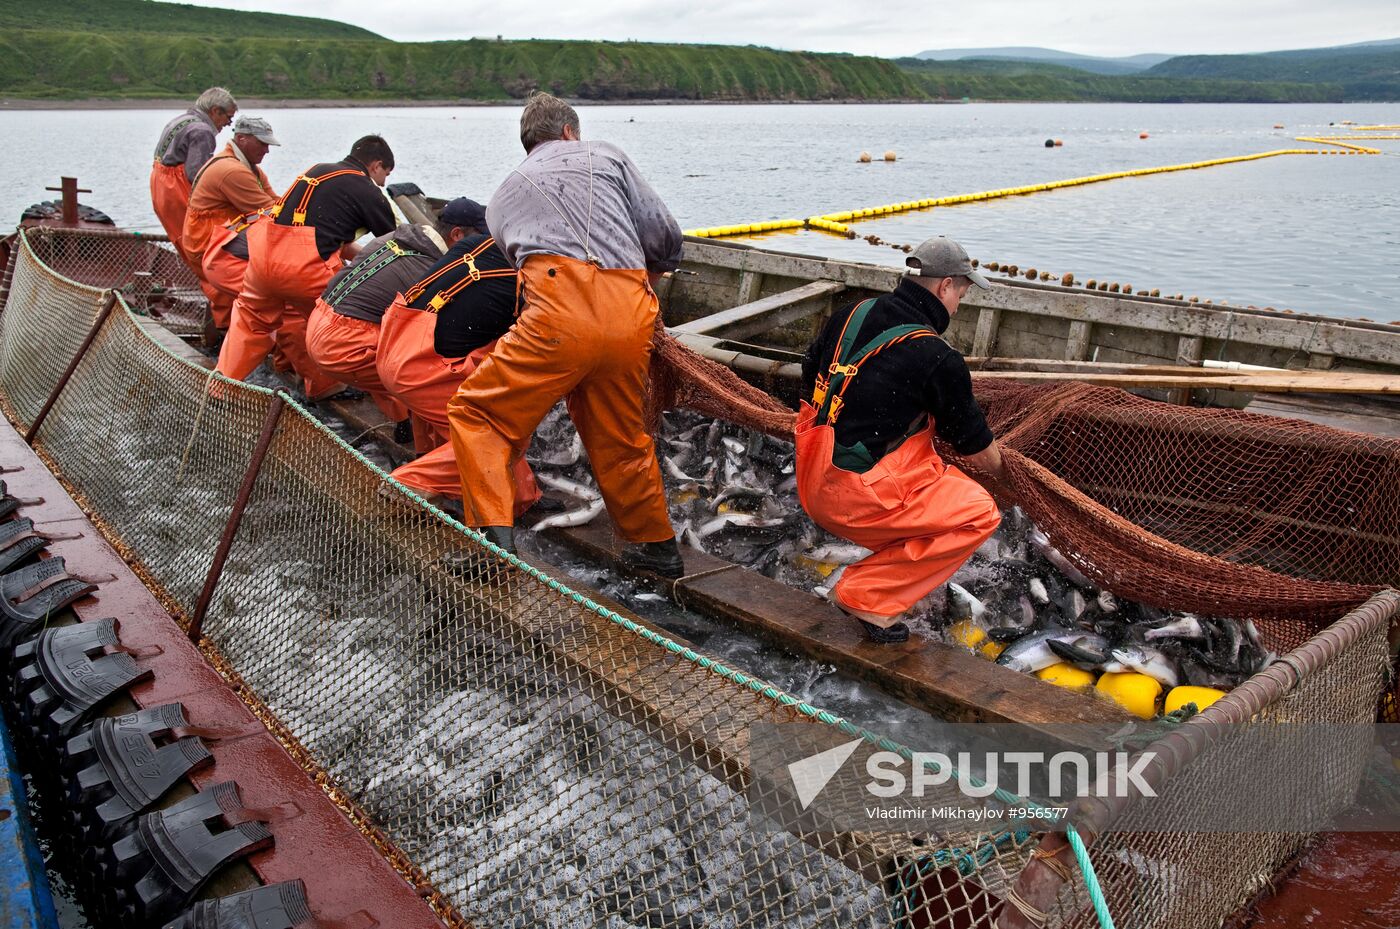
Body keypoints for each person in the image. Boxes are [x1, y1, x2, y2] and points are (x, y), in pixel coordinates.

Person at [446, 93, 683, 570]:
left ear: (528, 144)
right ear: (571, 132)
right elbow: (664, 235)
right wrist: (645, 278)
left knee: (478, 415)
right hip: (630, 308)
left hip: (558, 312)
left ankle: (494, 545)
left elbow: (518, 269)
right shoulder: (607, 154)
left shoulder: (503, 194)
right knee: (620, 434)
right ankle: (658, 549)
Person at [796, 236, 1005, 644]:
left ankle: (877, 578)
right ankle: (866, 596)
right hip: (854, 500)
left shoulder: (849, 314)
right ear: (945, 285)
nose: (960, 302)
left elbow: (808, 378)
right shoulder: (937, 357)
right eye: (962, 291)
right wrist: (1009, 476)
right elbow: (976, 449)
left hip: (810, 477)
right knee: (980, 512)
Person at [376, 198, 538, 512]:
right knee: (497, 437)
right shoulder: (532, 280)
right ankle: (409, 484)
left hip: (392, 345)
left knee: (448, 417)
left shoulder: (477, 244)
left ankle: (432, 469)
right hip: (421, 366)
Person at [215, 135, 396, 401]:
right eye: (386, 174)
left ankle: (220, 388)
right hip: (305, 269)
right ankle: (364, 397)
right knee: (340, 331)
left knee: (251, 324)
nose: (383, 182)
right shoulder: (368, 191)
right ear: (376, 165)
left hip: (263, 259)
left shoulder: (318, 170)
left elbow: (329, 232)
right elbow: (394, 245)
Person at [305, 217, 447, 423]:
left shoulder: (387, 239)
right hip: (345, 345)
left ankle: (401, 421)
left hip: (316, 321)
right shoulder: (432, 269)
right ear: (457, 235)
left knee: (386, 343)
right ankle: (430, 445)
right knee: (422, 377)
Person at [182, 115, 279, 331]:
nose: (267, 150)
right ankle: (227, 337)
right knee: (233, 294)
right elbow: (272, 214)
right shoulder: (233, 171)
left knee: (231, 294)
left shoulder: (251, 168)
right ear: (242, 139)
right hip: (206, 241)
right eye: (262, 143)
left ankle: (230, 336)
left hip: (221, 236)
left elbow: (275, 202)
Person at [150, 87, 237, 256]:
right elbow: (197, 175)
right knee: (201, 242)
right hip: (176, 189)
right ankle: (211, 280)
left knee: (183, 240)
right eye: (229, 118)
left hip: (160, 188)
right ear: (215, 111)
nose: (229, 124)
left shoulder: (180, 120)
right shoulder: (202, 131)